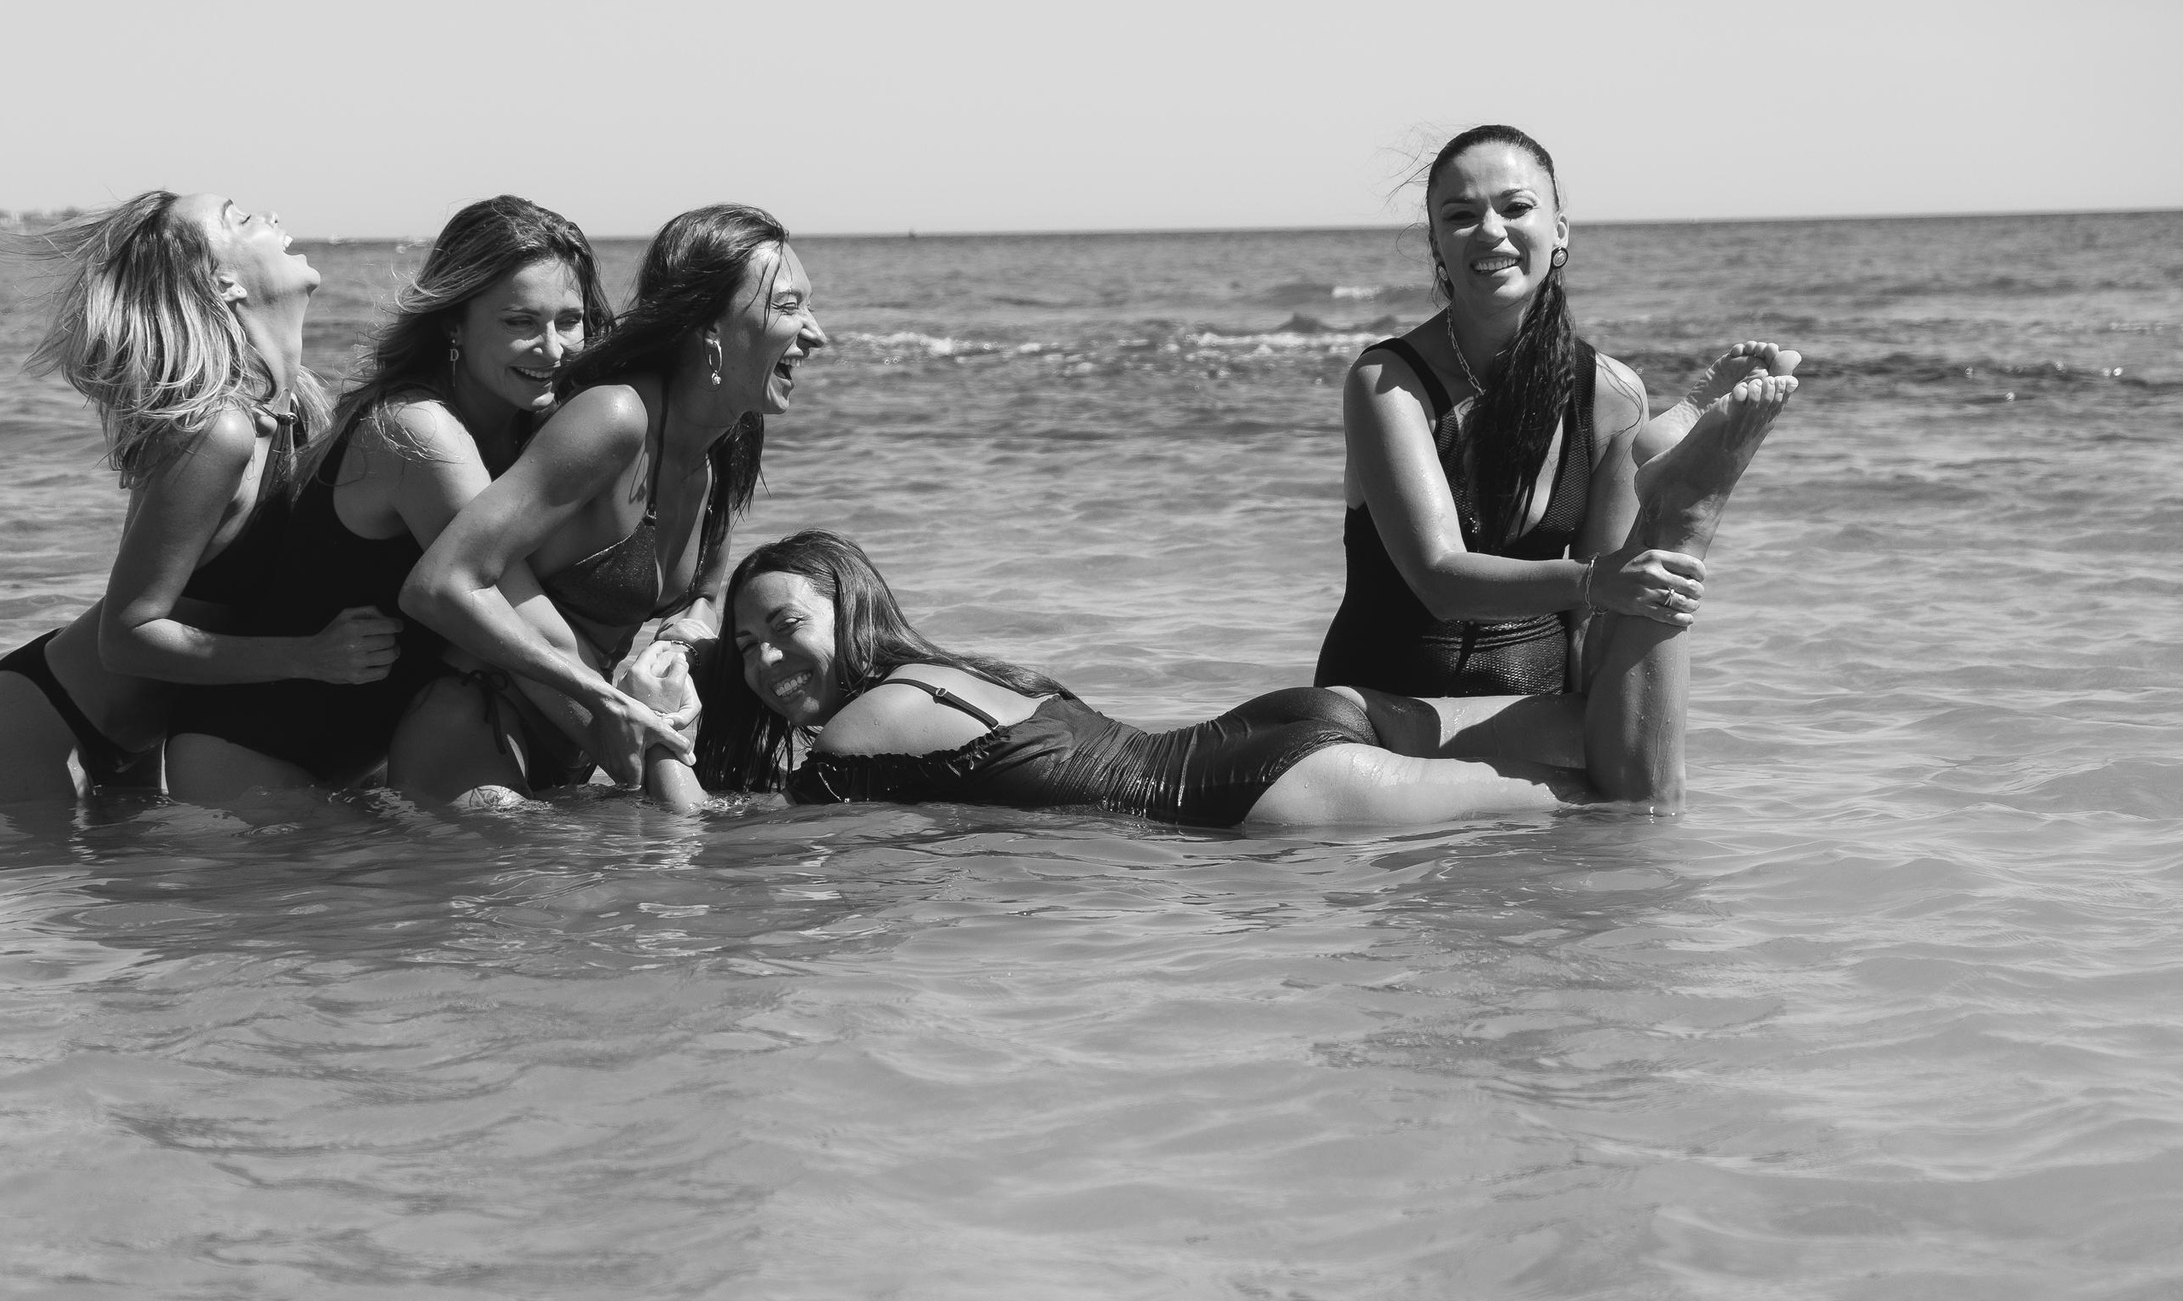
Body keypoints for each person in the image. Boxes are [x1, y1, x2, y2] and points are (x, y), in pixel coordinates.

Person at [696, 372, 1796, 826]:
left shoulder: (854, 732)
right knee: (1608, 749)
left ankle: (1681, 514)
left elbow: (760, 858)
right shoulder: (951, 675)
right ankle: (1642, 484)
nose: (764, 660)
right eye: (743, 647)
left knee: (1623, 804)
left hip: (1258, 798)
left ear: (850, 610)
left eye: (784, 626)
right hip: (1275, 723)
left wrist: (666, 735)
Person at [1316, 123, 1796, 697]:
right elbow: (1438, 578)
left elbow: (1595, 616)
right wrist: (1597, 580)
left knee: (1640, 596)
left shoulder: (1610, 395)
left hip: (1533, 714)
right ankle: (1678, 492)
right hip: (1381, 712)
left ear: (1559, 230)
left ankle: (1681, 495)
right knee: (1625, 579)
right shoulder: (1388, 383)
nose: (1490, 230)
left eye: (1516, 207)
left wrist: (1597, 719)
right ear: (1437, 245)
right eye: (1461, 215)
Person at [162, 196, 614, 802]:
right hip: (251, 760)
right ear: (453, 324)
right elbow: (530, 630)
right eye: (519, 322)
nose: (553, 348)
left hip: (353, 767)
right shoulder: (417, 431)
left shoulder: (526, 429)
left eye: (570, 320)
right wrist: (648, 764)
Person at [0, 192, 399, 807]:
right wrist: (311, 658)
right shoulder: (218, 432)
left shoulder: (300, 404)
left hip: (150, 726)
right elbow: (125, 637)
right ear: (224, 284)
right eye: (240, 218)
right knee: (51, 876)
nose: (270, 217)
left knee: (147, 877)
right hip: (48, 720)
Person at [398, 204, 828, 808]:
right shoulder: (615, 419)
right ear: (709, 326)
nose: (815, 332)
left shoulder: (729, 437)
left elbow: (704, 596)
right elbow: (440, 584)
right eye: (787, 307)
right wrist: (607, 699)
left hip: (578, 748)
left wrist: (679, 646)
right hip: (478, 726)